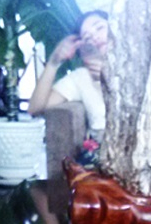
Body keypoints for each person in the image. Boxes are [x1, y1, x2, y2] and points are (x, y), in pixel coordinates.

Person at [28, 10, 109, 139]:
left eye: (99, 28)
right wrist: (54, 62)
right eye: (87, 38)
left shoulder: (141, 65)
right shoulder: (82, 77)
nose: (95, 37)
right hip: (106, 148)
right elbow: (35, 108)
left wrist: (109, 78)